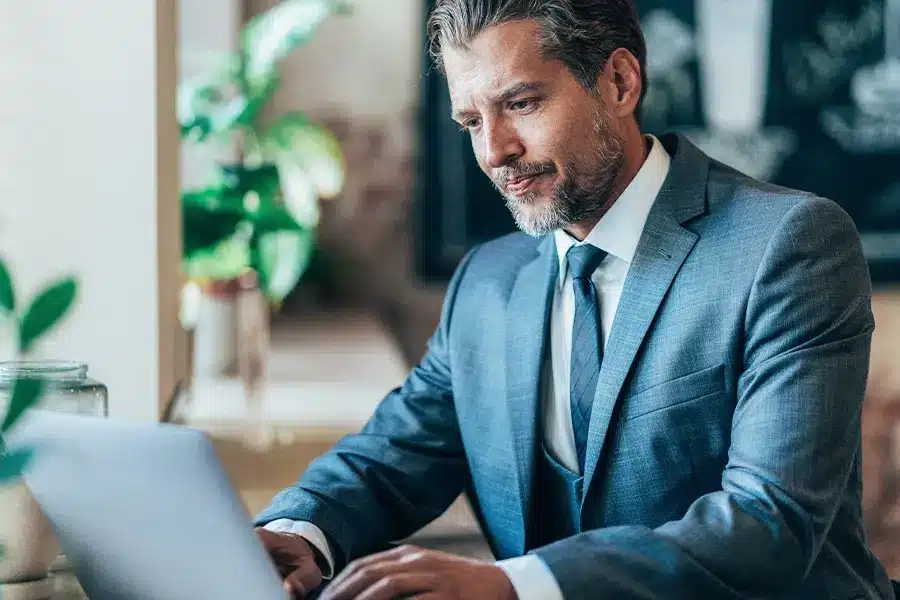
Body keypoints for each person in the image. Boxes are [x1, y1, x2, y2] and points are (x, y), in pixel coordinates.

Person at [252, 1, 896, 599]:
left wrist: (516, 586)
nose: (494, 150)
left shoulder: (788, 244)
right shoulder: (487, 280)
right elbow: (396, 454)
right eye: (472, 121)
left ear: (619, 82)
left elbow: (770, 522)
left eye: (521, 103)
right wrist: (300, 533)